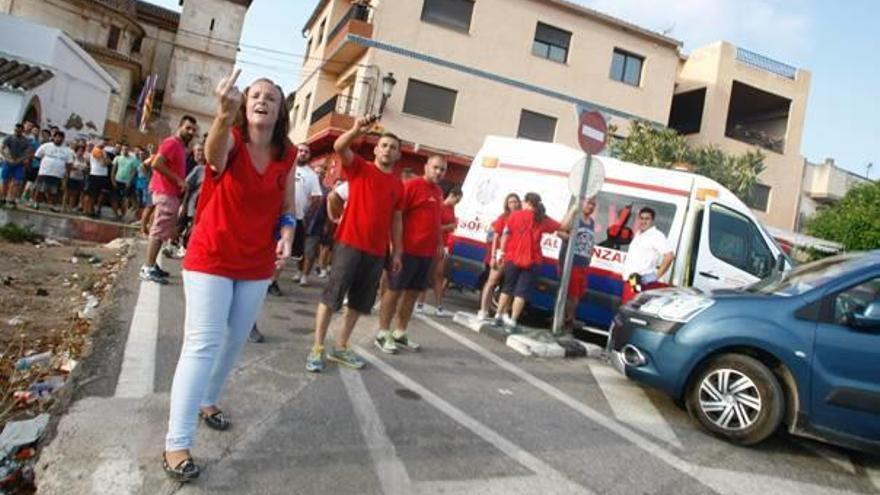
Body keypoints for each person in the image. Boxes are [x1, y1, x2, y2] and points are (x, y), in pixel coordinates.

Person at [162, 70, 298, 482]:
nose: (261, 100)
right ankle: (176, 444)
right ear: (244, 105)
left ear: (280, 110)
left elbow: (287, 205)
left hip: (256, 263)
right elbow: (213, 157)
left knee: (235, 340)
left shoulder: (287, 153)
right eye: (254, 95)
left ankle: (208, 401)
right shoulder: (232, 139)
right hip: (211, 256)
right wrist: (222, 115)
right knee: (202, 344)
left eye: (270, 97)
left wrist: (287, 233)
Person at [306, 116, 404, 373]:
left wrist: (396, 251)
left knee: (360, 303)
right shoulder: (361, 168)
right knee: (332, 297)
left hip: (376, 251)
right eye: (384, 145)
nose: (388, 150)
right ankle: (317, 347)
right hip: (349, 244)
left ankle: (341, 346)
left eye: (393, 148)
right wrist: (355, 130)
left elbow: (396, 219)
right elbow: (339, 148)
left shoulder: (398, 186)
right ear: (376, 149)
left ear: (398, 155)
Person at [375, 156, 447, 354]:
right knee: (394, 290)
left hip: (426, 253)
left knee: (413, 293)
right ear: (426, 167)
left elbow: (435, 221)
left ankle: (400, 332)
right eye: (435, 168)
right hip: (406, 250)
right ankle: (382, 332)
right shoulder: (412, 186)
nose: (439, 172)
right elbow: (395, 215)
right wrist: (395, 246)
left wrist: (439, 243)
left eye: (442, 169)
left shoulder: (439, 192)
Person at [139, 115, 199, 284]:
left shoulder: (180, 146)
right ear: (179, 126)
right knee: (158, 230)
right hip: (165, 192)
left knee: (162, 230)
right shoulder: (172, 143)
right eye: (188, 128)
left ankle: (153, 264)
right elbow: (157, 163)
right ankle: (148, 267)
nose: (191, 132)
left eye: (193, 130)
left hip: (171, 193)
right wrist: (178, 180)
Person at [495, 192, 561, 332]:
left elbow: (506, 234)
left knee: (507, 287)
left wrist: (501, 252)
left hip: (512, 257)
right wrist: (573, 212)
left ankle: (498, 315)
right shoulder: (542, 219)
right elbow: (562, 226)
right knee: (521, 292)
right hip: (532, 260)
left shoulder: (515, 215)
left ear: (527, 202)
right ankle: (513, 321)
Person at [476, 193, 522, 320]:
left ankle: (504, 312)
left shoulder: (522, 217)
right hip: (501, 255)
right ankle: (483, 310)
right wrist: (493, 256)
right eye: (511, 202)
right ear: (507, 205)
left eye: (516, 201)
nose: (514, 204)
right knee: (491, 282)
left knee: (509, 285)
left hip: (514, 256)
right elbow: (495, 236)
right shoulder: (503, 217)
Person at [557, 196, 597, 329]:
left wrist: (590, 254)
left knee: (578, 294)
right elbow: (560, 230)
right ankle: (565, 320)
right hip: (571, 262)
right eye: (589, 203)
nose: (591, 207)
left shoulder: (591, 222)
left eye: (593, 205)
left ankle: (570, 319)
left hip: (583, 264)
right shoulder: (575, 218)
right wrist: (569, 238)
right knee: (571, 294)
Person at [620, 207, 674, 304]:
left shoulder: (656, 235)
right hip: (631, 281)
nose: (643, 221)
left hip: (640, 282)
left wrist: (655, 276)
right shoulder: (639, 234)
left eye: (647, 219)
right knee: (627, 309)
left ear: (652, 220)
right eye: (641, 218)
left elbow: (669, 256)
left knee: (633, 311)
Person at [291, 143, 322, 286]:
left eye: (306, 152)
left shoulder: (311, 175)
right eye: (300, 150)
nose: (302, 153)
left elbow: (317, 198)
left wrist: (307, 216)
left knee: (298, 251)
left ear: (309, 156)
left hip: (296, 218)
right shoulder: (284, 165)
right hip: (274, 214)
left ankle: (302, 274)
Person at [428, 186, 462, 316]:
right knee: (429, 274)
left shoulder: (452, 209)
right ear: (452, 195)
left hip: (444, 244)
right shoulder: (440, 207)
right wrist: (449, 226)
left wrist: (451, 227)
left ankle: (439, 305)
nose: (457, 203)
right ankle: (420, 303)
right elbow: (434, 227)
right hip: (434, 243)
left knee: (439, 275)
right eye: (457, 200)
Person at [33, 130, 74, 211]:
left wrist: (67, 174)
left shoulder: (67, 150)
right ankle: (36, 203)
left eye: (61, 138)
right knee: (40, 189)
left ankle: (52, 205)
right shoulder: (46, 146)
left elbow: (69, 163)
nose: (59, 139)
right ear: (54, 137)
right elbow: (37, 156)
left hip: (58, 174)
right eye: (57, 137)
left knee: (54, 191)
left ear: (63, 139)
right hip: (45, 172)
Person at [0, 123, 31, 208]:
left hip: (19, 164)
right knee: (5, 181)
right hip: (7, 162)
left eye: (19, 130)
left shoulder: (26, 140)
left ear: (22, 131)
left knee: (17, 182)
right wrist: (7, 158)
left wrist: (19, 160)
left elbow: (28, 153)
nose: (17, 132)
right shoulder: (9, 137)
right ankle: (2, 198)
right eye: (16, 130)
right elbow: (1, 148)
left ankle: (11, 199)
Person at [110, 144, 139, 220]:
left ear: (129, 150)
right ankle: (116, 214)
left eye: (126, 149)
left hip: (126, 182)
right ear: (122, 150)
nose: (125, 151)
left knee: (125, 199)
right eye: (123, 149)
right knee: (115, 199)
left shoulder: (133, 160)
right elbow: (113, 170)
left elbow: (133, 172)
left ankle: (122, 215)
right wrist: (113, 180)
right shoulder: (117, 158)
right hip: (117, 180)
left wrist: (129, 181)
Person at [83, 142, 112, 217]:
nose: (104, 143)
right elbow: (103, 163)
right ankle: (87, 210)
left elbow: (109, 162)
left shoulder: (103, 151)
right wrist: (106, 159)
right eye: (103, 141)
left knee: (96, 195)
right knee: (90, 195)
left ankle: (91, 209)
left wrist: (106, 160)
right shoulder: (96, 150)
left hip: (101, 176)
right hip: (96, 175)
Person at [64, 144, 88, 212]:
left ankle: (70, 208)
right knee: (68, 193)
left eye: (82, 151)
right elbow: (69, 167)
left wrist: (84, 170)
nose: (81, 152)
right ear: (76, 151)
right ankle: (64, 207)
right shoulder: (73, 158)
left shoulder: (84, 159)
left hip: (80, 178)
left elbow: (86, 169)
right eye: (79, 151)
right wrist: (77, 168)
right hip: (71, 176)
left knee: (74, 194)